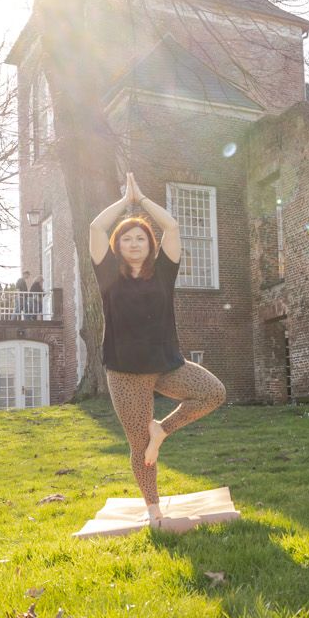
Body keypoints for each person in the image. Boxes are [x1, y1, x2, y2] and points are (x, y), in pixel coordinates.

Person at [89, 172, 226, 516]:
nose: (134, 244)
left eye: (141, 238)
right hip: (125, 372)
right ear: (117, 246)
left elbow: (173, 228)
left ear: (150, 245)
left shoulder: (165, 272)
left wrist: (143, 201)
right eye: (127, 239)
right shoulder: (108, 275)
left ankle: (161, 430)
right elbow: (95, 229)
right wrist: (125, 202)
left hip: (167, 364)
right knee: (139, 447)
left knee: (213, 392)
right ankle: (154, 511)